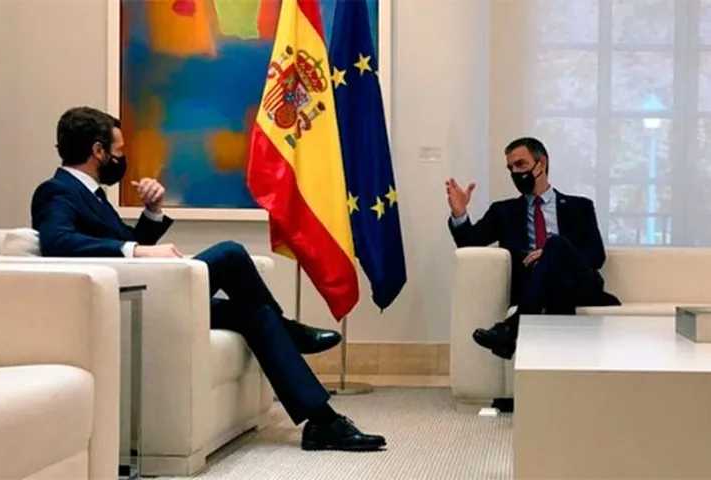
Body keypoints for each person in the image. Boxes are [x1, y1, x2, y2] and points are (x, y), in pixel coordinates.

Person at [31, 106, 386, 451]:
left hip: (150, 292)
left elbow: (124, 243)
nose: (122, 159)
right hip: (128, 303)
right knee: (230, 253)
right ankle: (290, 331)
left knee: (255, 315)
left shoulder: (92, 196)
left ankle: (322, 422)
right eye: (119, 151)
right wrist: (136, 251)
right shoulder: (56, 191)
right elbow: (59, 242)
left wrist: (152, 214)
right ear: (98, 151)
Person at [445, 137, 619, 360]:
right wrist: (460, 213)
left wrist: (552, 253)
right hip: (533, 286)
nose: (515, 173)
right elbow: (469, 245)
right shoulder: (503, 211)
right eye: (510, 168)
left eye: (521, 164)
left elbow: (596, 256)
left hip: (578, 283)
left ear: (542, 164)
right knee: (553, 267)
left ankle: (511, 329)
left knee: (555, 244)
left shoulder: (580, 207)